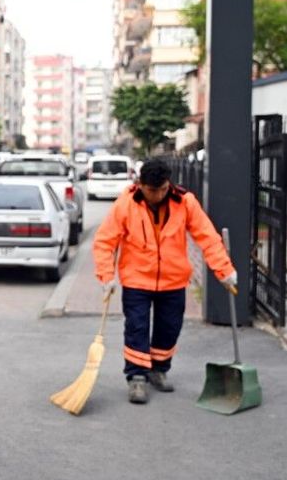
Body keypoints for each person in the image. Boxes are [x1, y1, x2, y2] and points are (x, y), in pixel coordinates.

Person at [92, 158, 237, 404]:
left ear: (168, 184)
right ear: (140, 185)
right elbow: (105, 241)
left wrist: (224, 270)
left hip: (173, 280)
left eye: (162, 189)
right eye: (152, 190)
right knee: (136, 327)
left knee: (169, 328)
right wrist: (106, 276)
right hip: (137, 279)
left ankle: (158, 369)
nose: (157, 195)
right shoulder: (126, 203)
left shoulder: (185, 202)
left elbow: (207, 237)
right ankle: (137, 377)